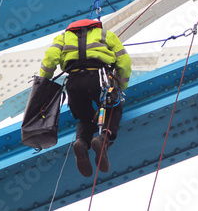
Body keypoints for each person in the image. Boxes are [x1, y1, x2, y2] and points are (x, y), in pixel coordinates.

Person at [39, 19, 131, 177]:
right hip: (99, 78)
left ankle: (82, 141)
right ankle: (103, 138)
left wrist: (44, 81)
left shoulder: (62, 38)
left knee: (84, 117)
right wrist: (121, 86)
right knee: (113, 109)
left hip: (74, 82)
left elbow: (50, 58)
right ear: (95, 26)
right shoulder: (106, 35)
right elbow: (124, 61)